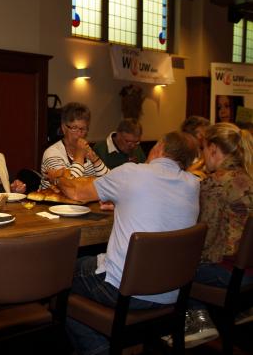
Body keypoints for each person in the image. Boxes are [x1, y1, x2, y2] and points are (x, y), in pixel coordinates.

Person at [52, 131, 200, 355]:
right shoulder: (193, 184)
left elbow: (77, 192)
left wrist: (58, 177)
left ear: (159, 148)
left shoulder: (132, 173)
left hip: (125, 290)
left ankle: (98, 348)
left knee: (57, 275)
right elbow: (161, 206)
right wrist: (125, 202)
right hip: (172, 292)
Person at [180, 122, 253, 348]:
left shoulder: (215, 184)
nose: (202, 155)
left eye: (202, 150)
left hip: (231, 273)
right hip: (249, 270)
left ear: (212, 149)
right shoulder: (246, 177)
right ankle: (240, 310)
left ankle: (197, 320)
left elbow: (206, 241)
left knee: (172, 266)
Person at [40, 102, 108, 190]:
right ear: (64, 128)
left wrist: (95, 160)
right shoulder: (52, 153)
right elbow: (69, 187)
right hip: (53, 202)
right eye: (74, 128)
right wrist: (79, 156)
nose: (79, 134)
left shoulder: (86, 150)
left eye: (83, 129)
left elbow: (109, 182)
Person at [181, 115, 210, 180]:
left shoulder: (203, 151)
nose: (208, 137)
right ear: (199, 135)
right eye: (206, 132)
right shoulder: (181, 155)